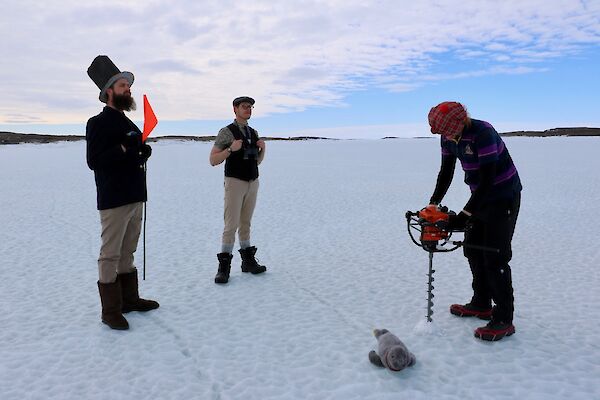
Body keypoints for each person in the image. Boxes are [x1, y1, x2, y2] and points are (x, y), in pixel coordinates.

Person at [427, 101, 522, 341]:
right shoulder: (448, 138)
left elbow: (488, 180)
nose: (445, 135)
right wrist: (433, 203)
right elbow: (446, 172)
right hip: (479, 195)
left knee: (495, 256)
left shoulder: (483, 132)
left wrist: (465, 214)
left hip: (503, 196)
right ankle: (481, 303)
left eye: (448, 130)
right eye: (442, 132)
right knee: (472, 249)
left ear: (460, 122)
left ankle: (503, 319)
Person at [86, 55, 159, 330]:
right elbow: (94, 160)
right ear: (108, 92)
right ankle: (111, 310)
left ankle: (130, 299)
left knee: (128, 249)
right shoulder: (97, 122)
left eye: (128, 85)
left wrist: (142, 153)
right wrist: (126, 149)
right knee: (110, 254)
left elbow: (131, 153)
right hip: (114, 197)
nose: (128, 89)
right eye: (122, 85)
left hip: (134, 194)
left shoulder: (130, 123)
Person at [209, 96, 267, 284]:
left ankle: (247, 261)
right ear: (235, 109)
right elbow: (213, 160)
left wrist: (263, 149)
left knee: (245, 223)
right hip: (234, 182)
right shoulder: (227, 132)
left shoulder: (253, 132)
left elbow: (256, 161)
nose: (248, 109)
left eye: (250, 107)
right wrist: (231, 149)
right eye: (244, 107)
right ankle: (223, 268)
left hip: (253, 181)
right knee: (231, 225)